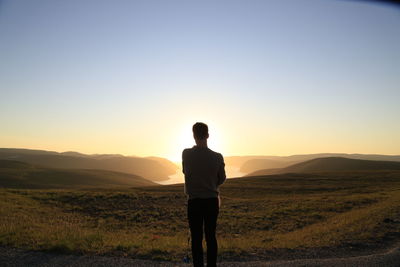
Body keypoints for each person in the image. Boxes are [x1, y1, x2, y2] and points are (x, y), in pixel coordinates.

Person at [182, 122, 226, 267]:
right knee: (211, 236)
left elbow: (186, 172)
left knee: (196, 238)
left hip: (194, 201)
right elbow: (222, 178)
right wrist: (211, 185)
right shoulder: (218, 157)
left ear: (193, 136)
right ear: (208, 135)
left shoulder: (186, 154)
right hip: (212, 201)